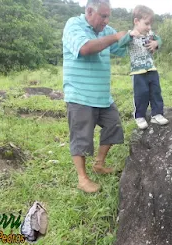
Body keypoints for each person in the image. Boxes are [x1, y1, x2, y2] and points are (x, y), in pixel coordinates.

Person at [62, 0, 127, 193]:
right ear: (89, 11)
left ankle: (99, 164)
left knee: (113, 125)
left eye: (108, 16)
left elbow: (122, 47)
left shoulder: (106, 31)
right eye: (103, 16)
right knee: (81, 137)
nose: (106, 21)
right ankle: (82, 179)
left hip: (102, 96)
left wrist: (139, 36)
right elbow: (85, 48)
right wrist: (116, 36)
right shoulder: (74, 25)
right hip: (79, 94)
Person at [118, 5, 169, 130]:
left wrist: (156, 43)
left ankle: (157, 114)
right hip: (138, 72)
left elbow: (160, 40)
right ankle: (139, 116)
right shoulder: (130, 35)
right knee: (141, 94)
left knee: (156, 92)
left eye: (150, 24)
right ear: (136, 21)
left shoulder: (150, 34)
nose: (149, 27)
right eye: (146, 23)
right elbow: (120, 44)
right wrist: (130, 35)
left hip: (151, 69)